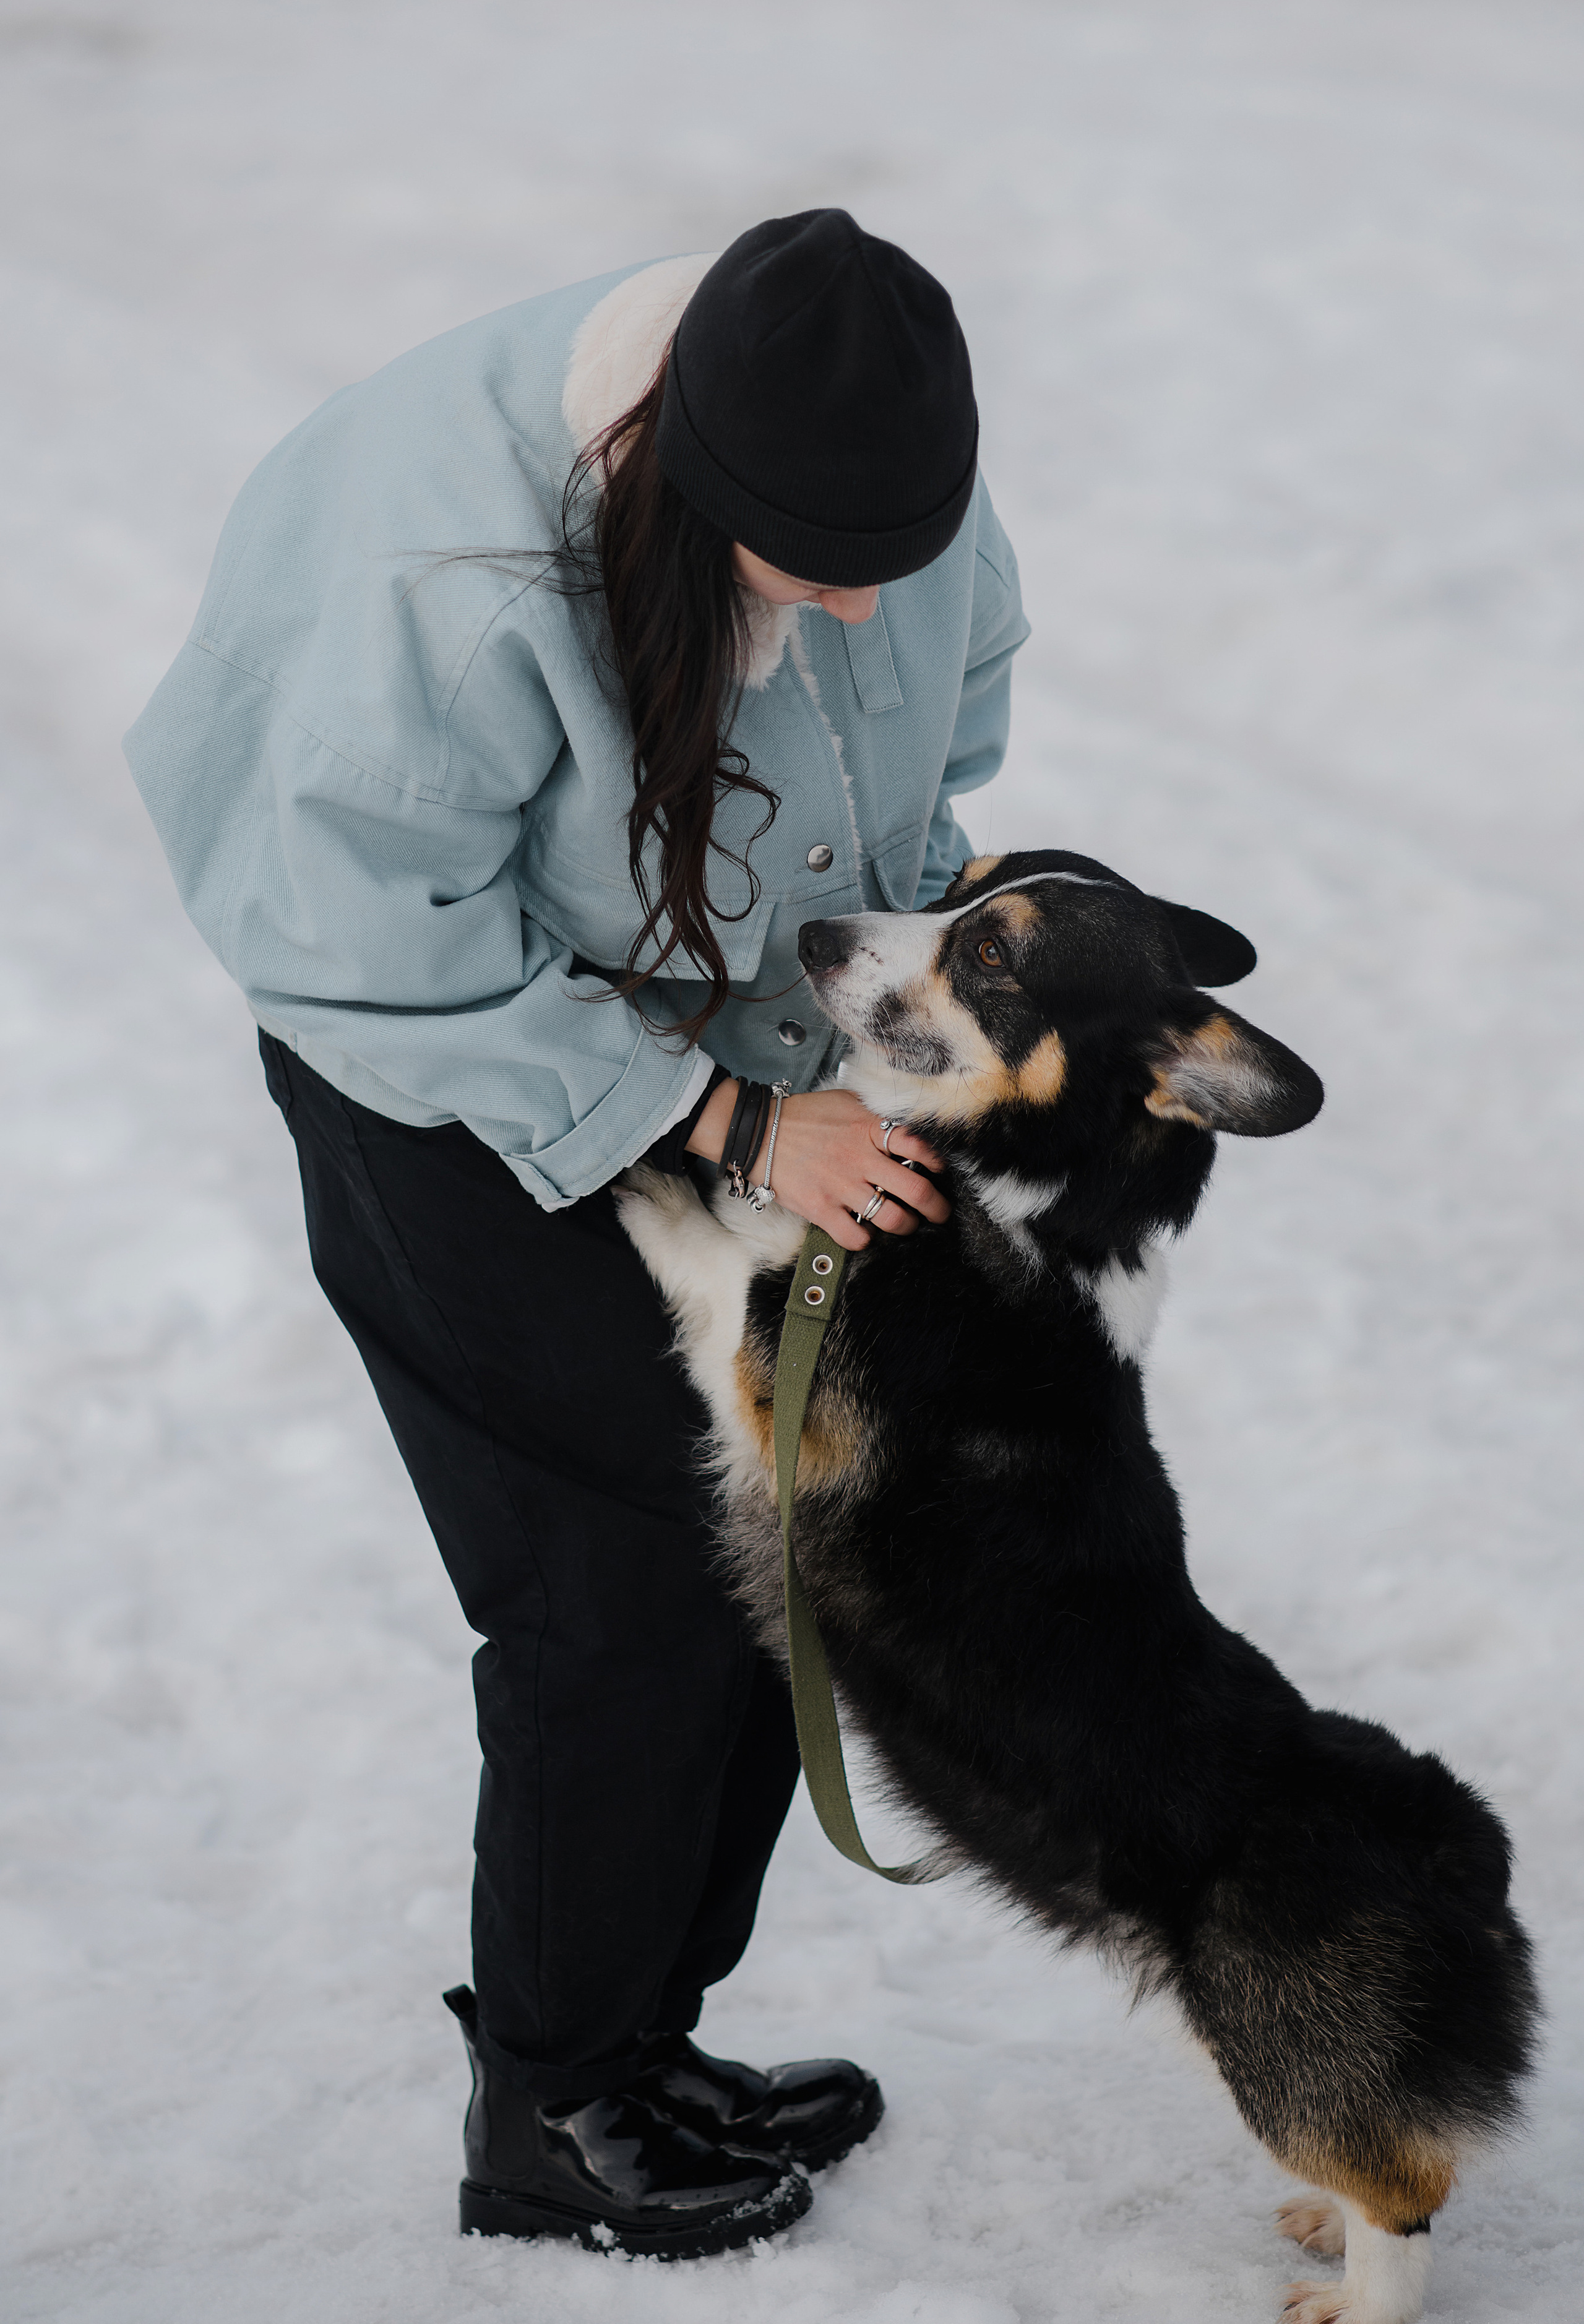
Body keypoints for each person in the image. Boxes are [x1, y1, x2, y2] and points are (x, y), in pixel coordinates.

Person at [125, 209, 1028, 2257]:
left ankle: (642, 2041)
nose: (876, 606)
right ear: (695, 490)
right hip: (435, 1076)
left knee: (757, 1536)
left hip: (733, 1056)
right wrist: (723, 1118)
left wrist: (904, 999)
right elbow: (358, 942)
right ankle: (548, 2103)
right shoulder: (446, 577)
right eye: (824, 573)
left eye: (906, 557)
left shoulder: (877, 481)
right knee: (614, 1578)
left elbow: (922, 769)